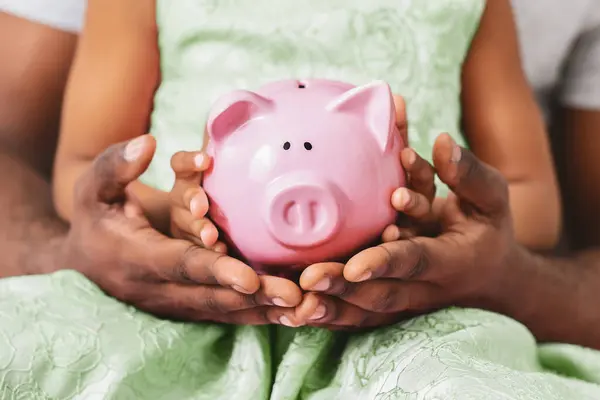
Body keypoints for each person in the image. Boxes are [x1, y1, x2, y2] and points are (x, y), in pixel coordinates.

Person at [1, 1, 600, 400]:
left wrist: (447, 227)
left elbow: (534, 204)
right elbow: (83, 170)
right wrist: (176, 217)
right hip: (168, 298)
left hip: (416, 312)